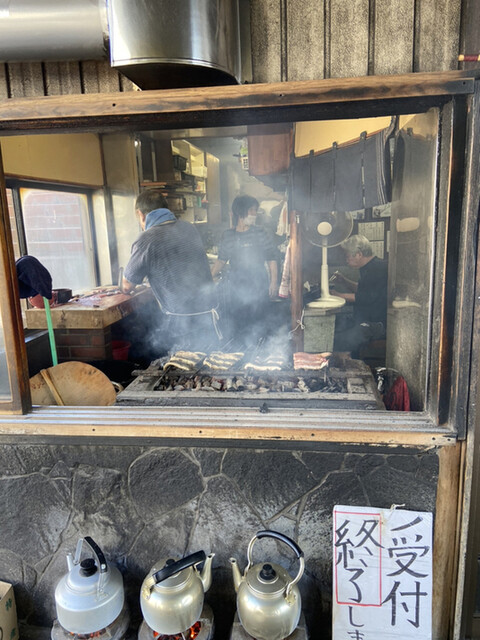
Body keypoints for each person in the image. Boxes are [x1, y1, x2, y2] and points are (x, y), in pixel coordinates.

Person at [122, 188, 220, 352]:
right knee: (210, 358)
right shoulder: (189, 228)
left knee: (183, 363)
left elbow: (127, 285)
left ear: (141, 215)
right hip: (208, 312)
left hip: (182, 321)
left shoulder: (146, 239)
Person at [211, 195, 278, 348]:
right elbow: (221, 260)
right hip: (236, 285)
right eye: (251, 210)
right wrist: (209, 278)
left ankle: (260, 350)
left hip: (258, 282)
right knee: (239, 321)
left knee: (259, 319)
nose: (254, 213)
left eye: (255, 210)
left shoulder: (261, 232)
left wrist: (273, 282)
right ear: (240, 211)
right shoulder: (228, 235)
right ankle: (241, 351)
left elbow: (271, 258)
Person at [329, 234, 387, 355]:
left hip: (375, 324)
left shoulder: (378, 268)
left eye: (348, 256)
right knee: (336, 330)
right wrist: (344, 281)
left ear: (359, 254)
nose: (346, 260)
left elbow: (365, 297)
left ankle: (352, 362)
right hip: (364, 318)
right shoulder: (370, 266)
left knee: (338, 341)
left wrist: (338, 295)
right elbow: (363, 290)